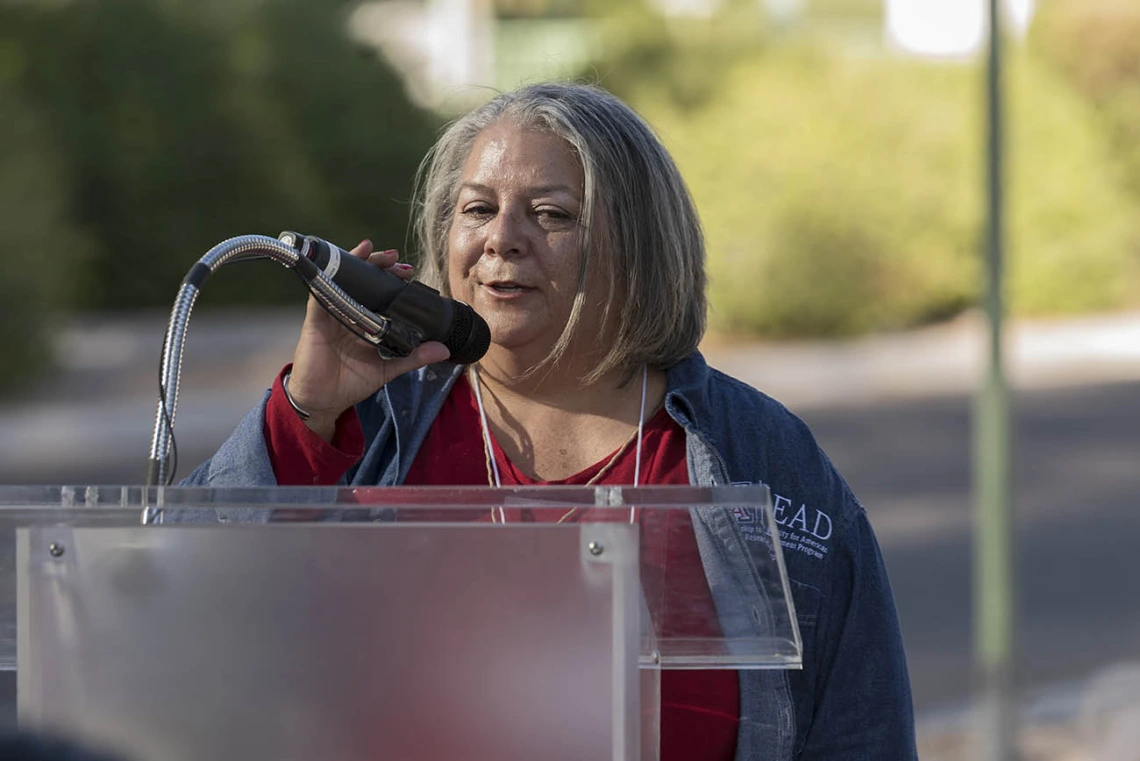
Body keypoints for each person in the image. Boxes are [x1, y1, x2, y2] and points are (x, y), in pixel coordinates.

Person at [185, 82, 917, 760]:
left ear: (640, 249)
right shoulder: (362, 427)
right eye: (477, 209)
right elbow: (161, 618)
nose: (502, 238)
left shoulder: (761, 454)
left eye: (552, 214)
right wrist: (306, 417)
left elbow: (859, 732)